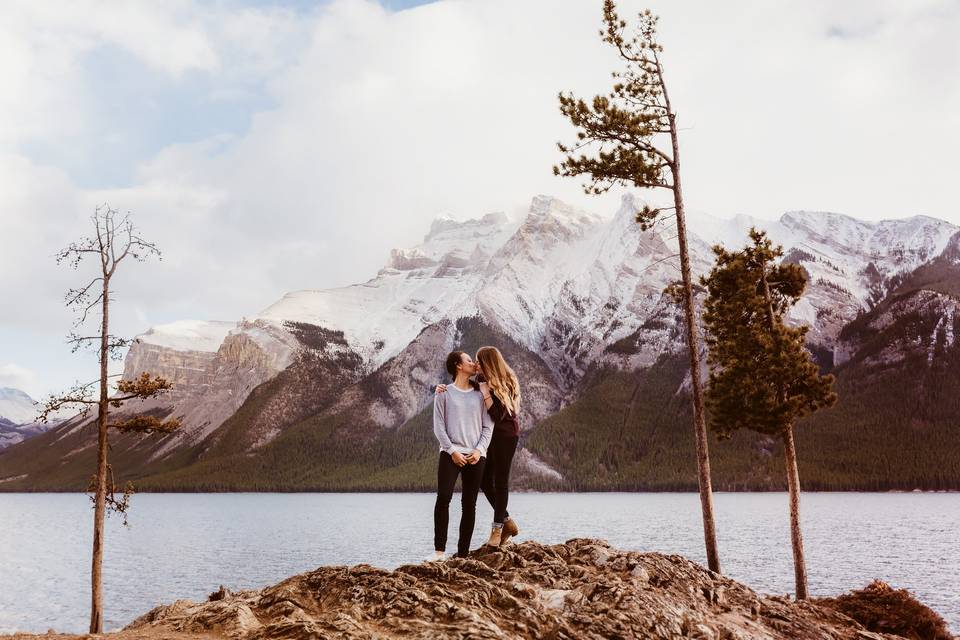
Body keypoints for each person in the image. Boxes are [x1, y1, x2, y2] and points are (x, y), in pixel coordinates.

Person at [437, 345, 521, 548]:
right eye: (473, 361)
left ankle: (497, 529)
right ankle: (508, 521)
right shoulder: (482, 381)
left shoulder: (507, 381)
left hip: (506, 436)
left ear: (488, 363)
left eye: (478, 361)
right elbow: (462, 389)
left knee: (500, 482)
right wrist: (441, 388)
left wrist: (486, 395)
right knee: (484, 481)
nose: (476, 364)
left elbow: (498, 416)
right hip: (489, 438)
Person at [431, 350, 493, 560]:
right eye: (469, 360)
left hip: (476, 455)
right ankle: (439, 553)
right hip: (450, 453)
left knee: (469, 504)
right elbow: (439, 428)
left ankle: (463, 555)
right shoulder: (443, 393)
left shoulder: (480, 393)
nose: (474, 363)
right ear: (458, 365)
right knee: (444, 498)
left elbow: (488, 427)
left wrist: (479, 450)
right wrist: (452, 451)